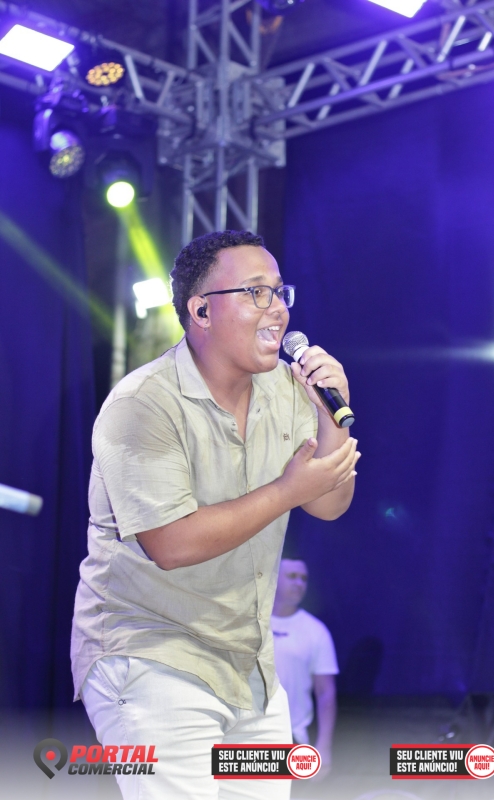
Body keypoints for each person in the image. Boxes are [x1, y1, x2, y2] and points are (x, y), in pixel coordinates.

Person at [71, 229, 360, 800]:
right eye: (256, 292)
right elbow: (171, 544)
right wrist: (287, 489)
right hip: (150, 653)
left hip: (249, 666)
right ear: (201, 310)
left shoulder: (288, 390)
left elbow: (329, 504)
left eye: (279, 292)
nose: (277, 309)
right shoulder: (142, 404)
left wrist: (333, 412)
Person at [272, 558, 338, 778]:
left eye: (304, 579)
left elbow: (326, 692)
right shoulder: (249, 623)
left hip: (294, 739)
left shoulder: (316, 631)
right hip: (245, 735)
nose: (299, 583)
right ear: (273, 578)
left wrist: (324, 747)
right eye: (292, 577)